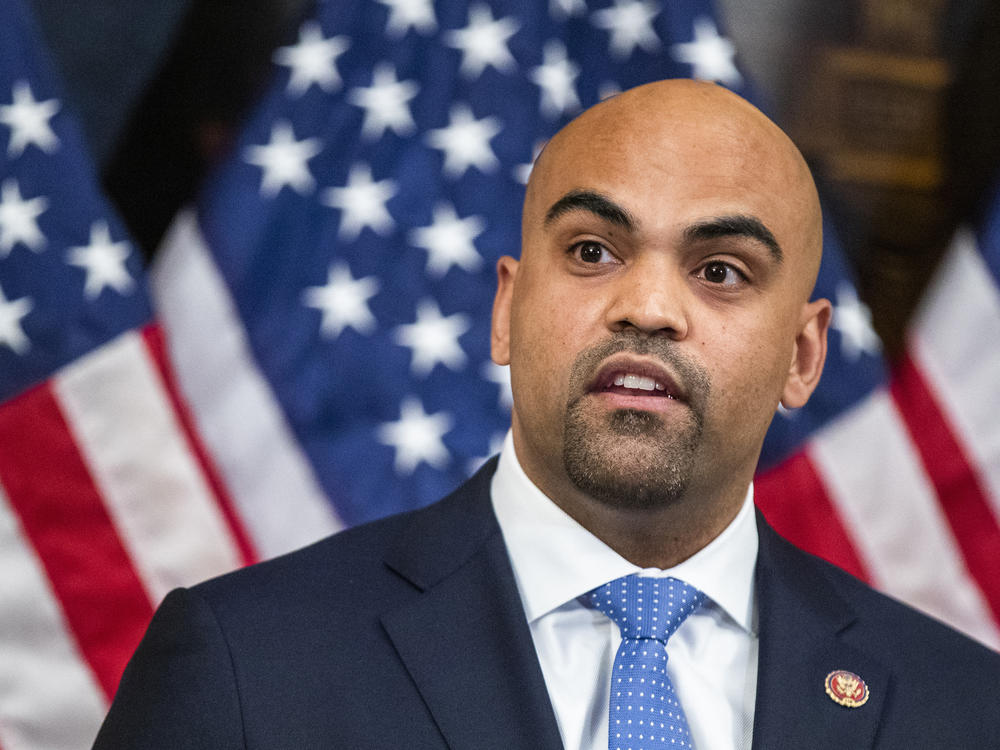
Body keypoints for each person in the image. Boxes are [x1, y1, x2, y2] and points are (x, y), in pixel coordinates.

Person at [93, 80, 1000, 749]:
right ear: (505, 311)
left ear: (802, 357)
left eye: (720, 270)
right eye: (594, 251)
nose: (648, 307)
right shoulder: (245, 668)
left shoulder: (963, 709)